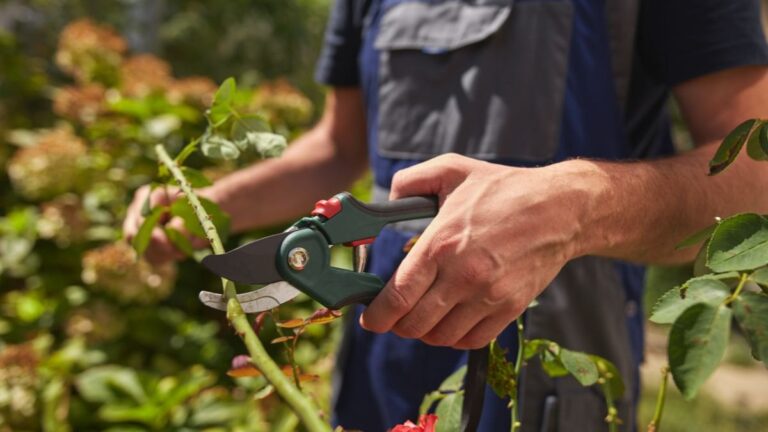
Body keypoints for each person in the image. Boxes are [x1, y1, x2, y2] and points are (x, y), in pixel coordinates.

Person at [125, 0, 768, 430]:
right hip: (380, 371)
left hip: (552, 376)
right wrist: (210, 206)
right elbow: (339, 148)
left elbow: (754, 179)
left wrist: (576, 204)